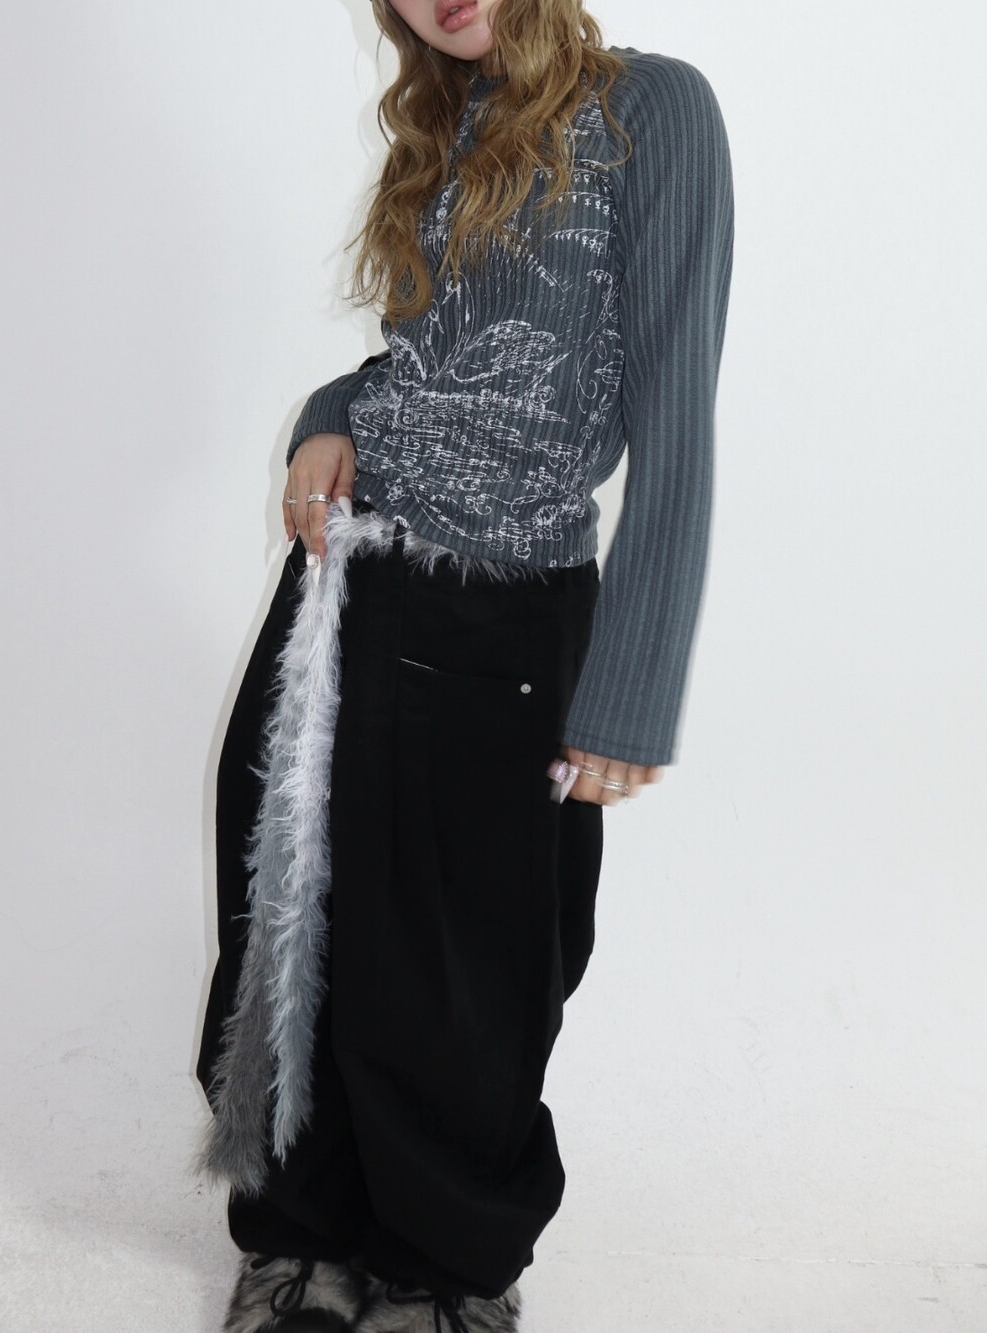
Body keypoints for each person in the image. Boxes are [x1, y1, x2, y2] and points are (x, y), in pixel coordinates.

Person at [195, 0, 734, 1329]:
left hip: (510, 612)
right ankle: (299, 1235)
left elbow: (675, 410)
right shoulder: (445, 122)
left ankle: (444, 1268)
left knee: (476, 967)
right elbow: (424, 369)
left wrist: (632, 688)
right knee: (303, 929)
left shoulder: (653, 109)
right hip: (348, 589)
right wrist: (332, 415)